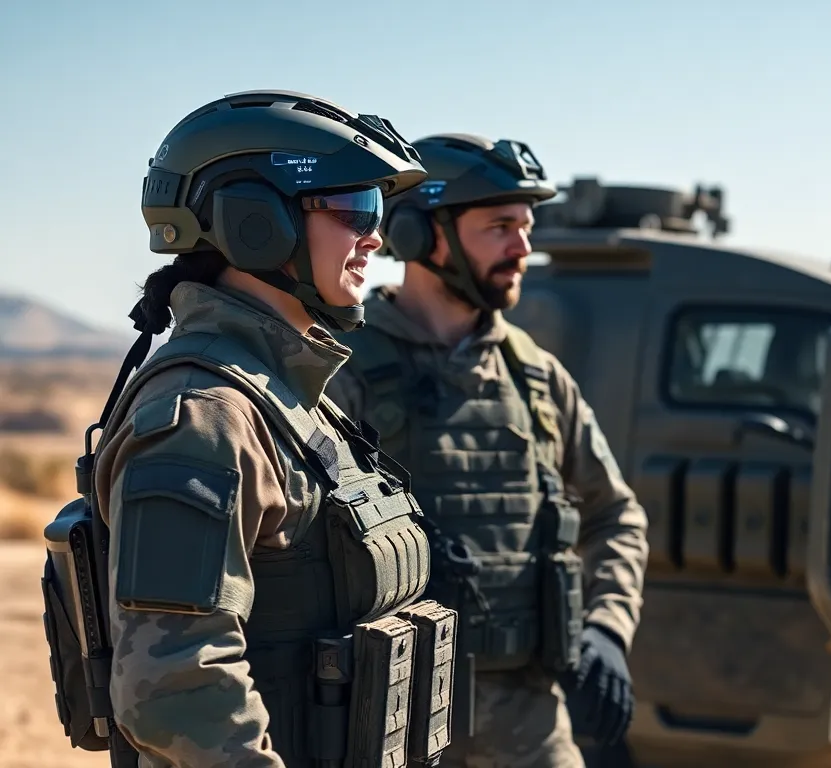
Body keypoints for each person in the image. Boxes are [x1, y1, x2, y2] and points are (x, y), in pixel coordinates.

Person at [89, 90, 455, 766]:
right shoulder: (204, 415)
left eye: (377, 210)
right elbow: (173, 687)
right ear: (255, 220)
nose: (374, 235)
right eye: (353, 208)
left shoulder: (286, 396)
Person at [327, 133, 649, 767]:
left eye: (526, 227)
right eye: (500, 225)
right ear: (422, 234)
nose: (523, 247)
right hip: (389, 723)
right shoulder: (343, 370)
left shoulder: (537, 377)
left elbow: (617, 515)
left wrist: (607, 628)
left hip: (530, 726)